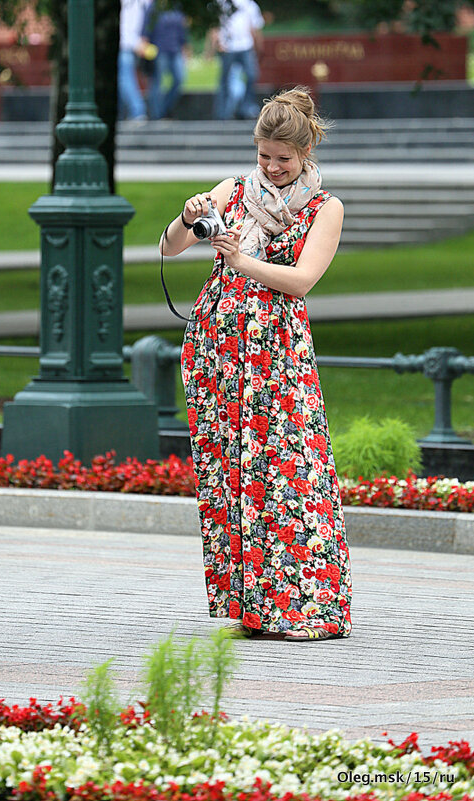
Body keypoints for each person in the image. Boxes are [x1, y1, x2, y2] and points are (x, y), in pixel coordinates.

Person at [159, 87, 352, 641]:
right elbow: (172, 247)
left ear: (306, 152)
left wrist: (243, 260)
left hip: (278, 349)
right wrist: (188, 215)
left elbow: (302, 280)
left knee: (292, 469)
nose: (271, 167)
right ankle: (249, 607)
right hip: (219, 344)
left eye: (283, 159)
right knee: (229, 469)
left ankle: (305, 606)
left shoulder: (325, 207)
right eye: (264, 155)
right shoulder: (234, 189)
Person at [212, 0, 264, 120]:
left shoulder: (250, 4)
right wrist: (218, 43)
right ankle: (222, 112)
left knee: (252, 75)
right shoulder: (221, 3)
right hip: (228, 46)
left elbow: (254, 27)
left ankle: (246, 107)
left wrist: (258, 47)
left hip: (245, 45)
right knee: (224, 80)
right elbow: (215, 24)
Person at [142, 1, 189, 120]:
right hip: (159, 50)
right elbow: (146, 29)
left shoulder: (177, 6)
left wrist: (185, 46)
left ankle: (164, 109)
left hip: (175, 49)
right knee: (157, 83)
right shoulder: (153, 8)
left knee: (179, 78)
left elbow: (182, 29)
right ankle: (156, 115)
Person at [119, 0, 151, 121]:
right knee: (123, 79)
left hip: (127, 44)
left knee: (125, 78)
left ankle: (138, 111)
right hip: (132, 43)